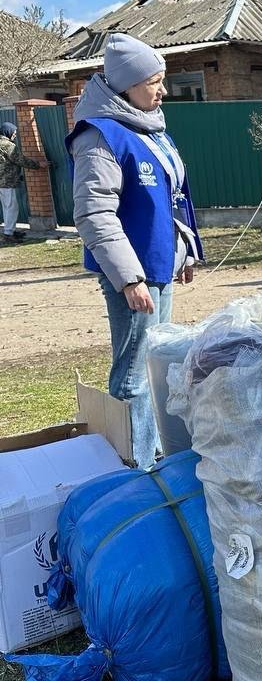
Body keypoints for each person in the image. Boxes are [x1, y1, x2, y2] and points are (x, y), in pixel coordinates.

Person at [68, 33, 202, 468]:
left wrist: (183, 253)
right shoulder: (100, 136)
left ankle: (154, 455)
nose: (162, 90)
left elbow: (171, 197)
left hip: (158, 268)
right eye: (154, 81)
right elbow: (94, 215)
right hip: (133, 278)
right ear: (126, 85)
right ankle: (133, 468)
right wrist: (129, 278)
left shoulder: (149, 127)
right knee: (134, 376)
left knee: (157, 364)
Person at [0, 122, 38, 243]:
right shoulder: (7, 145)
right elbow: (21, 160)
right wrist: (38, 165)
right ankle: (8, 233)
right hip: (7, 182)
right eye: (14, 133)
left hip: (2, 182)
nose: (15, 135)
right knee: (11, 207)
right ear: (8, 132)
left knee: (7, 207)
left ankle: (10, 230)